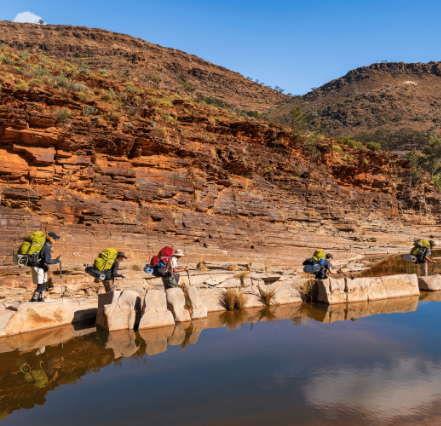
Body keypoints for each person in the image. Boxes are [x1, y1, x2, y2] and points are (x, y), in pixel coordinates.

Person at [31, 232, 61, 302]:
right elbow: (47, 260)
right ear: (51, 239)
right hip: (39, 267)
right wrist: (57, 260)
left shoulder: (45, 245)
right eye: (55, 239)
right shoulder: (47, 247)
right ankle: (34, 300)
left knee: (43, 284)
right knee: (41, 285)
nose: (55, 241)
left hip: (40, 267)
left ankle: (41, 299)